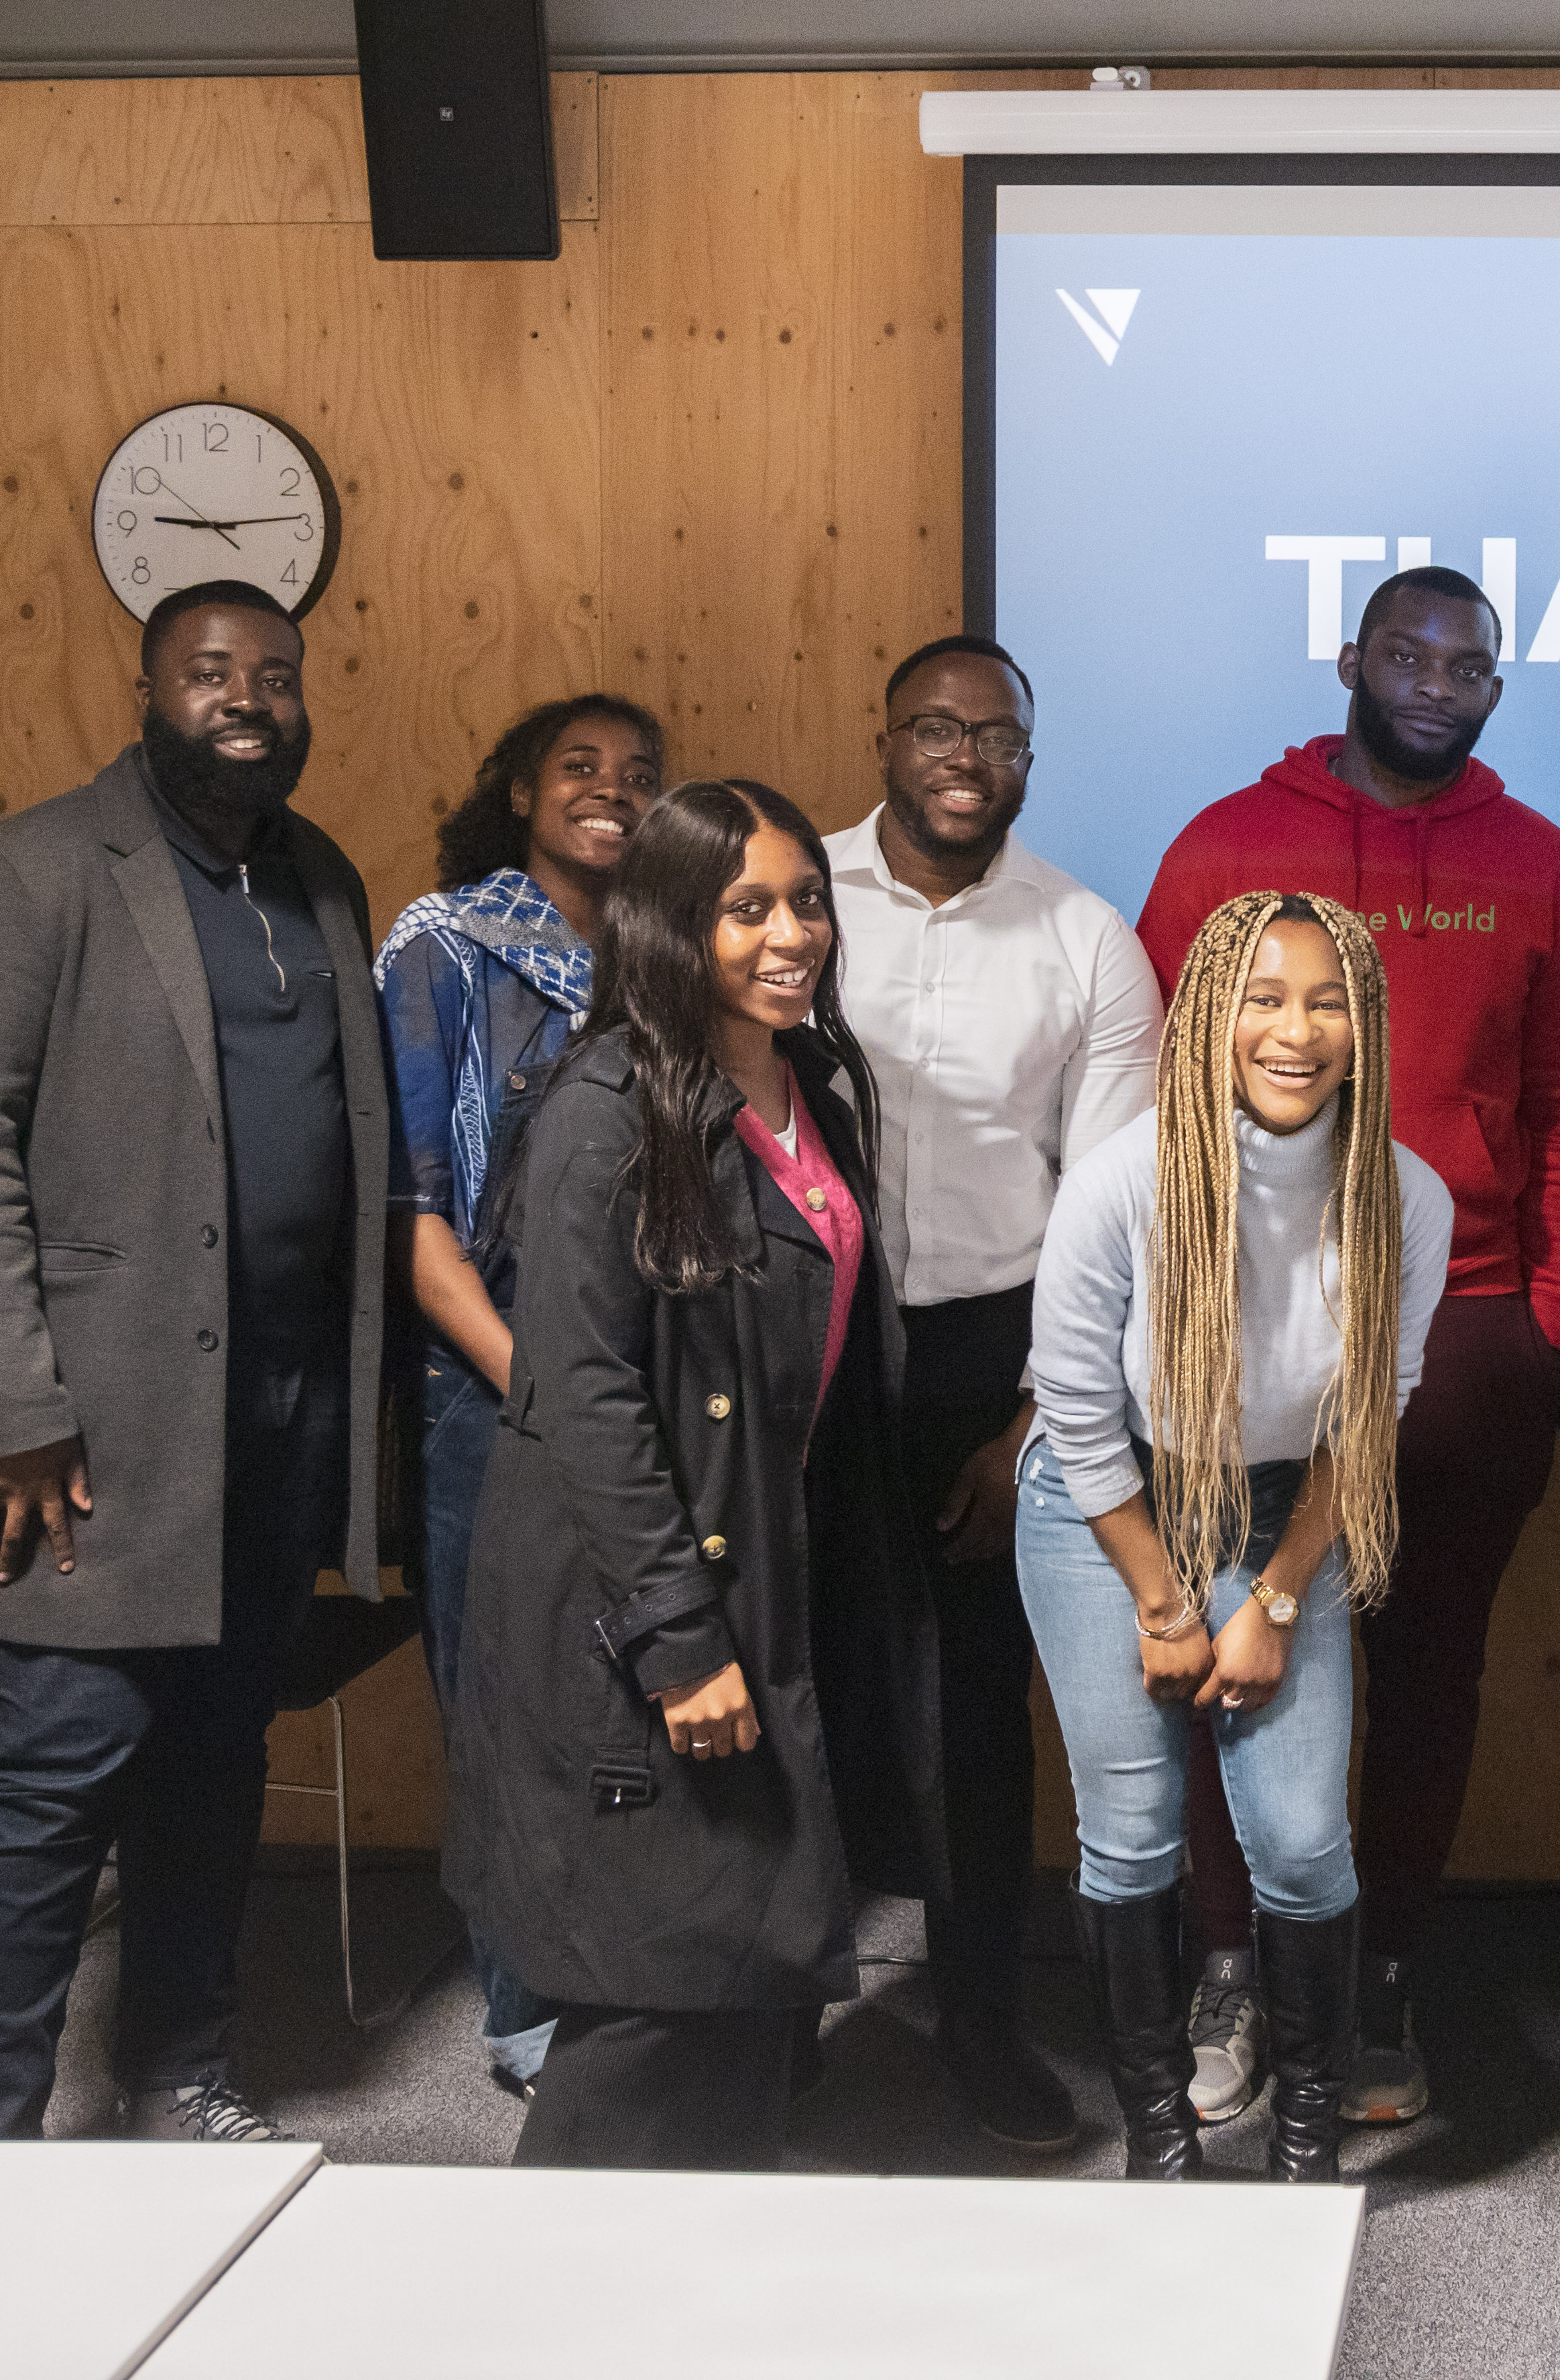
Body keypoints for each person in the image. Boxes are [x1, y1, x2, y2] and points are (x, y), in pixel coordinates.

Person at [0, 580, 397, 2142]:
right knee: (56, 1775)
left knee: (212, 1759)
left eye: (278, 673)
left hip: (278, 1416)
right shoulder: (32, 871)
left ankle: (181, 2072)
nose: (250, 697)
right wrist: (15, 1406)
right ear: (146, 688)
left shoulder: (320, 878)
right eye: (211, 671)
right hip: (89, 1432)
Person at [1134, 564, 1560, 2126]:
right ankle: (1232, 1967)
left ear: (1495, 687)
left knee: (1424, 1674)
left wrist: (1541, 1329)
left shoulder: (1540, 867)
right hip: (1245, 1333)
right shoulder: (1227, 844)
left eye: (1465, 663)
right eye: (1405, 652)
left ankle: (1385, 1973)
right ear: (1351, 660)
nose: (1433, 679)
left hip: (1465, 1330)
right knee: (1235, 1656)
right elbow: (1156, 1086)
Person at [448, 780, 949, 2171]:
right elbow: (585, 1394)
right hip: (641, 1605)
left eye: (805, 900)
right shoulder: (606, 1108)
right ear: (673, 926)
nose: (792, 933)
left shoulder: (807, 1087)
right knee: (657, 1991)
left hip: (765, 1580)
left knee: (746, 1980)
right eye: (748, 908)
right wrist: (679, 1638)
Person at [1019, 892, 1451, 2183]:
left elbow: (1367, 1422)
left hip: (1282, 1510)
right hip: (1113, 1503)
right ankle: (1162, 2145)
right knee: (1134, 1829)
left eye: (1327, 1001)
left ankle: (1306, 2150)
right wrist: (1164, 1605)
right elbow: (1079, 1414)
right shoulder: (1125, 1183)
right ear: (1209, 1015)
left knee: (1307, 1842)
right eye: (1263, 997)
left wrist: (1268, 1601)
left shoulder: (1400, 1196)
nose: (1295, 1029)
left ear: (1364, 1028)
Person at [827, 633, 1162, 2149]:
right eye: (937, 728)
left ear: (1031, 756)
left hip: (990, 1354)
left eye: (999, 736)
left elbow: (1112, 1209)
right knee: (797, 1684)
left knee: (976, 1712)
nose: (967, 756)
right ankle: (769, 2015)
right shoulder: (794, 895)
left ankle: (979, 2025)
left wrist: (1032, 1418)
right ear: (886, 739)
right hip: (806, 1349)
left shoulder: (1086, 937)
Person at [379, 690, 664, 2103]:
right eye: (579, 767)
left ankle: (621, 1967)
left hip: (635, 1382)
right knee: (500, 1692)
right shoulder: (439, 948)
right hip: (488, 1388)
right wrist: (531, 1380)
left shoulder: (668, 956)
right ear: (517, 789)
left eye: (636, 775)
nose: (610, 790)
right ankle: (523, 1996)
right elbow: (417, 1218)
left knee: (622, 1682)